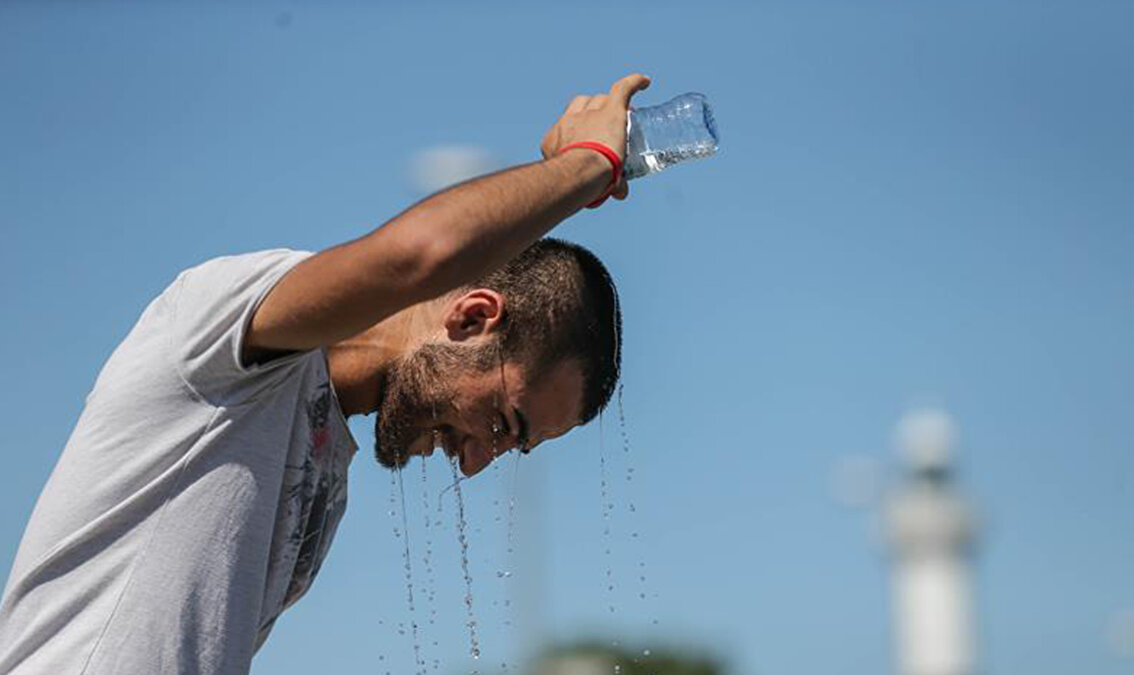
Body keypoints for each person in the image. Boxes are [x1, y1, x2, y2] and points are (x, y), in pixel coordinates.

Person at [0, 72, 652, 675]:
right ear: (473, 316)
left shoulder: (326, 473)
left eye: (515, 445)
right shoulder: (229, 332)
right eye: (504, 422)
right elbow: (418, 257)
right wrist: (587, 165)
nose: (478, 461)